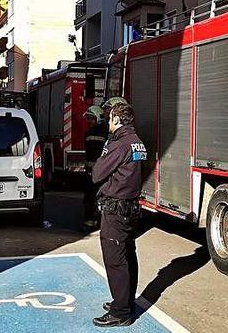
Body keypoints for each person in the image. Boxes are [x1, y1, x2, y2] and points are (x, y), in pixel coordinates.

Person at [92, 103, 146, 327]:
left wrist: (107, 147)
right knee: (127, 255)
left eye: (110, 117)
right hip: (130, 207)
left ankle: (121, 311)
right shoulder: (136, 142)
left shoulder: (120, 144)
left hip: (116, 209)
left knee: (115, 260)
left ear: (117, 119)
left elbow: (97, 174)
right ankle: (126, 301)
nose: (107, 121)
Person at [83, 105, 108, 231]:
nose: (89, 122)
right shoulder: (108, 132)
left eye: (91, 119)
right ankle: (101, 221)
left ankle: (90, 222)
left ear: (97, 118)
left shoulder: (91, 133)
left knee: (90, 198)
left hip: (93, 173)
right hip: (105, 172)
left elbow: (91, 155)